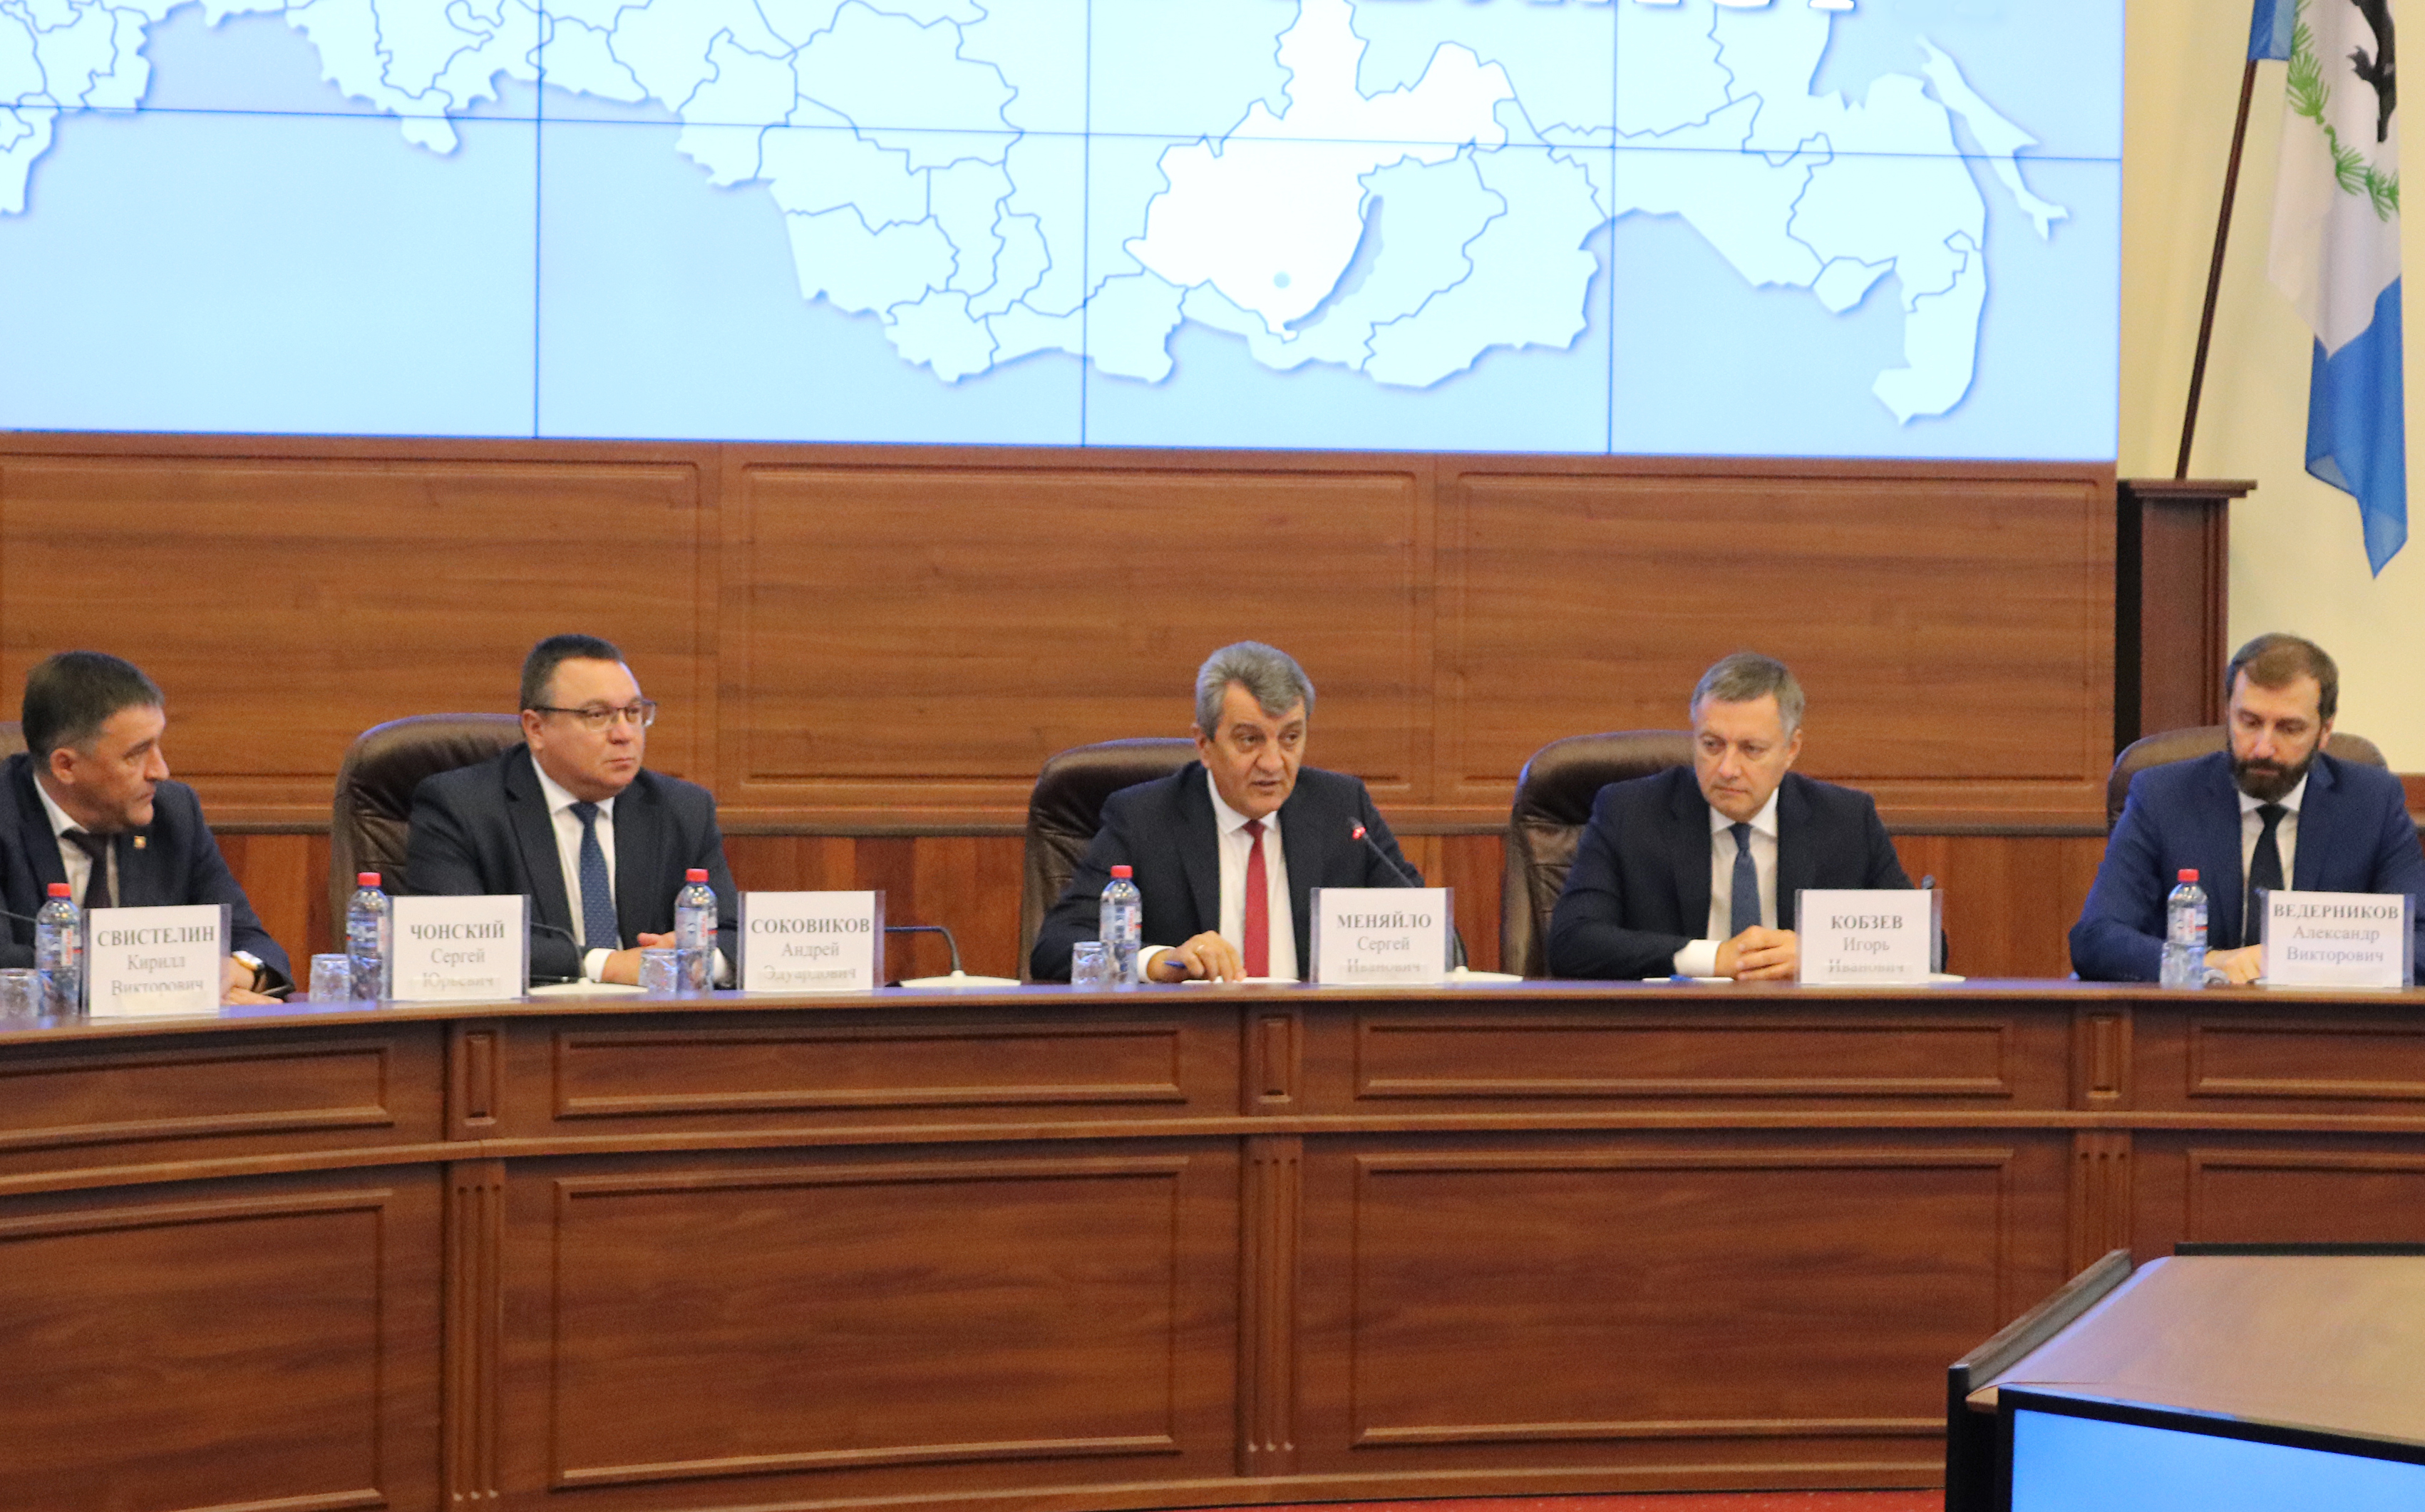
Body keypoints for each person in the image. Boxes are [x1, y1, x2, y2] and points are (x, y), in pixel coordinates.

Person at [1030, 642, 1423, 982]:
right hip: (1193, 1038)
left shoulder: (1341, 810)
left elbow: (1433, 936)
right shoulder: (1144, 819)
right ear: (1204, 745)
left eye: (1290, 738)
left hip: (1317, 1037)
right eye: (1250, 740)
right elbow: (1058, 945)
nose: (1273, 763)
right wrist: (1161, 961)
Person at [2071, 633, 2425, 984]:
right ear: (2229, 714)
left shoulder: (2372, 803)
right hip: (2197, 1015)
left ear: (2324, 732)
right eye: (2250, 722)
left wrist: (2302, 960)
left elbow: (2420, 942)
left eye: (2289, 728)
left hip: (2323, 1015)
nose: (2263, 748)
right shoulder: (2163, 797)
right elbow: (2096, 938)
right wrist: (2205, 963)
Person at [1547, 652, 1915, 982]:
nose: (1727, 769)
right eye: (1712, 745)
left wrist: (1822, 954)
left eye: (1751, 749)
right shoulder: (1630, 813)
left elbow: (1923, 945)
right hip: (1673, 1027)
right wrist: (1712, 958)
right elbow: (1572, 941)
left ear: (1791, 749)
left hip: (1802, 1028)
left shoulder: (1846, 820)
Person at [406, 634, 738, 985]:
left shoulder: (683, 809)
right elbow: (454, 940)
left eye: (633, 713)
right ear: (536, 729)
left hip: (653, 1015)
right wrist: (606, 966)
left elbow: (734, 935)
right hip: (530, 1016)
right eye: (598, 715)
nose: (625, 734)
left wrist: (694, 961)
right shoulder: (461, 807)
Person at [0, 652, 290, 999]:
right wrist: (171, 984)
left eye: (156, 745)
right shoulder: (7, 816)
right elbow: (8, 965)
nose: (160, 771)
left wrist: (238, 972)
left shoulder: (173, 813)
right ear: (66, 766)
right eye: (136, 754)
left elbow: (254, 942)